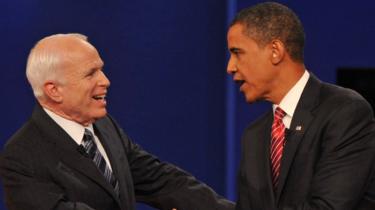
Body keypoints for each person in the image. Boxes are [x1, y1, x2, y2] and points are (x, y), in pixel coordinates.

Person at [0, 33, 235, 210]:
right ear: (54, 91)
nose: (106, 80)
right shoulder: (22, 156)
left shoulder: (104, 126)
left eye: (101, 70)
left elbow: (159, 179)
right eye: (91, 73)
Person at [226, 2, 375, 210]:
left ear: (275, 51)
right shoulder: (255, 135)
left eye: (237, 52)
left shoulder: (346, 113)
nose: (230, 67)